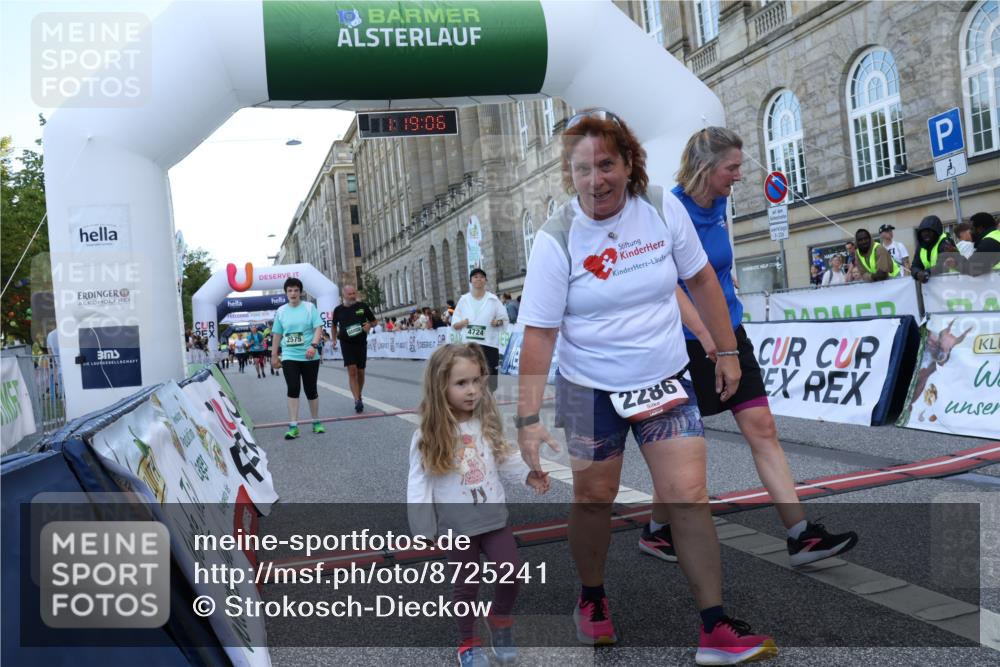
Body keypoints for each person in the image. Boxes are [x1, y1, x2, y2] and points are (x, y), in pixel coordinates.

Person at [516, 111, 777, 663]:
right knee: (593, 498)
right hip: (588, 388)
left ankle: (714, 627)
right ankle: (591, 599)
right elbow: (540, 334)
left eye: (606, 165)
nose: (595, 181)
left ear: (629, 161)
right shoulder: (556, 237)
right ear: (570, 174)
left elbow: (703, 279)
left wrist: (724, 351)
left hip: (664, 377)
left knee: (687, 497)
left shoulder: (661, 207)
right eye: (582, 169)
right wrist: (528, 419)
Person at [647, 125, 856, 574]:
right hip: (686, 341)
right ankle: (656, 528)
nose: (740, 176)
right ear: (706, 167)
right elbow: (671, 286)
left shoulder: (720, 204)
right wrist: (707, 338)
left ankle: (801, 534)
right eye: (733, 167)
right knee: (682, 446)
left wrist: (726, 307)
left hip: (730, 333)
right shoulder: (671, 210)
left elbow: (713, 267)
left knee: (761, 426)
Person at [408, 344, 549, 667]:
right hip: (457, 527)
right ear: (439, 385)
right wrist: (422, 526)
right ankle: (467, 643)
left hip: (493, 517)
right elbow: (418, 483)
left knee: (510, 572)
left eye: (477, 381)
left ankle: (499, 619)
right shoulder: (426, 435)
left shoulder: (485, 419)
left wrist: (529, 475)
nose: (472, 390)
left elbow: (503, 457)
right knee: (466, 586)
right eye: (461, 383)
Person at [270, 278, 325, 439]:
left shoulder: (309, 307)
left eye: (296, 290)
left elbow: (318, 327)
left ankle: (316, 422)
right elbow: (277, 334)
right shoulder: (281, 311)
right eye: (290, 291)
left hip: (309, 355)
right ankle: (293, 426)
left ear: (300, 292)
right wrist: (274, 355)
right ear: (286, 293)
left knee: (310, 389)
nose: (293, 293)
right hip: (289, 355)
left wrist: (313, 346)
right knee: (293, 388)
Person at [452, 268, 509, 393]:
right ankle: (474, 403)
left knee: (491, 379)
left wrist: (497, 322)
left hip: (489, 344)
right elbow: (454, 323)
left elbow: (504, 319)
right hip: (469, 345)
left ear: (486, 281)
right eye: (475, 277)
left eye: (482, 277)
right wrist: (461, 323)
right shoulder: (464, 300)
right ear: (471, 281)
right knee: (471, 376)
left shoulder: (493, 300)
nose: (478, 279)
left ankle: (488, 404)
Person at [332, 284, 377, 413]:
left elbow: (374, 322)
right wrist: (334, 339)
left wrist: (369, 325)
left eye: (354, 293)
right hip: (346, 343)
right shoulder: (338, 310)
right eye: (349, 294)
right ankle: (357, 400)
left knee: (361, 372)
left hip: (361, 343)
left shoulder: (362, 307)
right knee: (352, 371)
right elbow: (334, 326)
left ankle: (359, 394)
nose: (352, 296)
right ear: (344, 295)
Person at [910, 215, 960, 283]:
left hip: (953, 282)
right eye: (923, 231)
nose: (926, 234)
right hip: (934, 288)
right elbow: (915, 266)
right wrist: (917, 274)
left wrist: (926, 272)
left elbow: (944, 265)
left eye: (929, 231)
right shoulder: (921, 246)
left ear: (936, 231)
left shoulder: (945, 242)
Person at [966, 211, 1000, 276]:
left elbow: (972, 269)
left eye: (972, 228)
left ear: (980, 228)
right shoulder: (996, 236)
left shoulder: (989, 243)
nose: (970, 232)